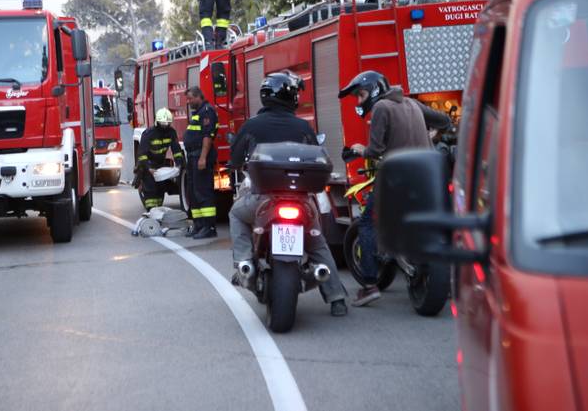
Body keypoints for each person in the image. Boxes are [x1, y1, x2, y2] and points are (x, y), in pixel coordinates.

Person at [228, 71, 349, 317]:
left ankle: (243, 264)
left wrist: (236, 162)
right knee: (317, 242)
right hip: (301, 200)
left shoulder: (251, 126)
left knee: (236, 215)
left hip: (263, 198)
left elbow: (234, 158)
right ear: (290, 97)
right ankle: (336, 298)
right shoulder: (303, 126)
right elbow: (317, 153)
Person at [338, 70, 451, 306]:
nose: (360, 101)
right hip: (428, 176)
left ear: (375, 90)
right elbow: (445, 121)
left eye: (361, 95)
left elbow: (376, 150)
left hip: (399, 176)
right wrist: (431, 133)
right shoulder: (412, 103)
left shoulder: (381, 108)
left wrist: (359, 149)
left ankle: (369, 285)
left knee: (368, 222)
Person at [183, 87, 219, 239]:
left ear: (199, 96)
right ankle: (198, 225)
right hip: (193, 156)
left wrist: (203, 158)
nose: (188, 102)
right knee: (193, 191)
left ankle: (209, 227)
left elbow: (207, 136)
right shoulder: (198, 113)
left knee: (203, 191)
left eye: (190, 99)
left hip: (201, 156)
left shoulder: (207, 111)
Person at [135, 108, 184, 210]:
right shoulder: (148, 134)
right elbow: (142, 155)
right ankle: (151, 213)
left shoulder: (171, 132)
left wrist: (179, 165)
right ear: (157, 122)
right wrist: (149, 168)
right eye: (163, 124)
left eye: (167, 124)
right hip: (148, 165)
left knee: (160, 190)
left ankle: (158, 211)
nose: (165, 126)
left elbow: (176, 150)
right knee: (151, 191)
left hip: (160, 165)